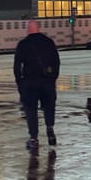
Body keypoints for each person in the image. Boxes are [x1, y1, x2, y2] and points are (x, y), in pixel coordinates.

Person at [14, 19, 60, 154]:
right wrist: (53, 78)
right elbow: (56, 62)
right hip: (47, 82)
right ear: (38, 28)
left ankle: (34, 138)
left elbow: (17, 66)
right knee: (49, 107)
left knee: (31, 110)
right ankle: (50, 128)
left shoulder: (23, 44)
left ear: (28, 29)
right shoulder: (49, 42)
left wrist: (20, 82)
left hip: (29, 83)